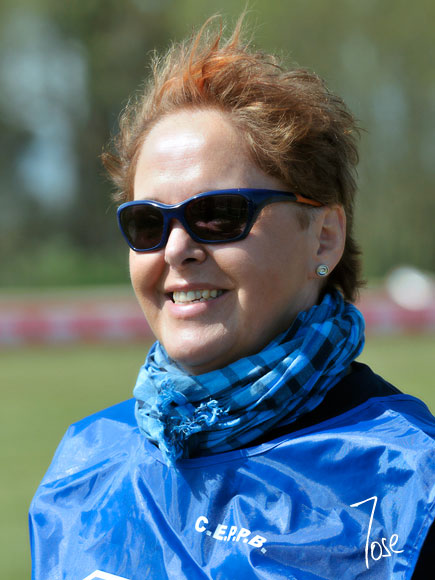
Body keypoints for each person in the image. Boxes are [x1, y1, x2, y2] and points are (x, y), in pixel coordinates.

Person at [29, 15, 434, 580]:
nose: (176, 249)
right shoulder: (83, 466)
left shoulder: (410, 486)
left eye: (218, 215)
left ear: (324, 236)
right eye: (148, 223)